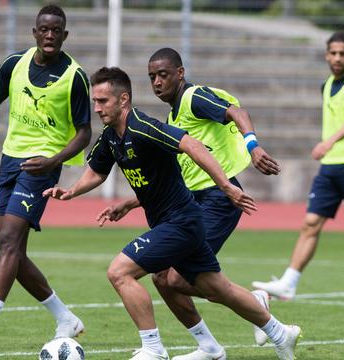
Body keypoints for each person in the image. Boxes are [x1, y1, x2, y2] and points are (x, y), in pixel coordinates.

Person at [44, 66, 301, 360]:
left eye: (103, 101)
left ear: (123, 99)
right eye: (95, 101)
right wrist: (72, 191)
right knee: (208, 287)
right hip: (176, 222)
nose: (97, 108)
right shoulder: (111, 137)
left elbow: (191, 144)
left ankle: (153, 349)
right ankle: (273, 335)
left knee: (120, 272)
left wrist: (227, 186)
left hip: (182, 222)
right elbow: (97, 171)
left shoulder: (143, 126)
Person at [97, 47, 281, 360]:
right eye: (152, 77)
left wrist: (253, 146)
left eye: (163, 75)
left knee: (175, 278)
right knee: (164, 278)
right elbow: (178, 176)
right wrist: (132, 202)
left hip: (217, 198)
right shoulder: (173, 116)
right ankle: (211, 346)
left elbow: (237, 112)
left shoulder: (193, 98)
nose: (156, 82)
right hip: (194, 200)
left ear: (180, 74)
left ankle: (248, 308)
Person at [0, 4, 91, 349]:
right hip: (10, 161)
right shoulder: (15, 64)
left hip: (42, 167)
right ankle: (65, 319)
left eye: (57, 31)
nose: (50, 36)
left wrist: (54, 160)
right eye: (45, 30)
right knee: (13, 251)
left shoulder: (75, 76)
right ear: (35, 33)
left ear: (65, 35)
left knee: (9, 242)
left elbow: (85, 133)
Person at [252, 31, 344, 305]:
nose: (337, 58)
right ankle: (289, 283)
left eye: (342, 53)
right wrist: (328, 149)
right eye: (333, 53)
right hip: (330, 168)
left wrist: (328, 142)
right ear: (326, 54)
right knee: (310, 223)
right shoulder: (328, 84)